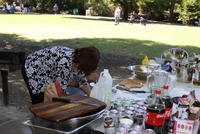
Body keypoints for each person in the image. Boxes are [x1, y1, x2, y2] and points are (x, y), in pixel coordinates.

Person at [22, 46, 100, 104]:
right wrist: (78, 101)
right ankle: (38, 122)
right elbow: (59, 92)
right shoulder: (65, 63)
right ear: (80, 64)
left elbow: (82, 80)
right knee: (40, 100)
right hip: (33, 68)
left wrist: (92, 96)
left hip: (47, 70)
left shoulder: (79, 60)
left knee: (51, 97)